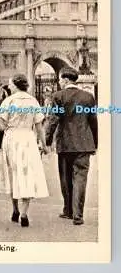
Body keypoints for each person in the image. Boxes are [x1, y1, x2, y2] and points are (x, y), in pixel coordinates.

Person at [45, 67, 97, 225]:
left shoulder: (58, 96)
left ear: (66, 80)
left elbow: (53, 120)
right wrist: (95, 141)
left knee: (66, 178)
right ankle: (78, 214)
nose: (59, 82)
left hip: (65, 143)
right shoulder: (88, 97)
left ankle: (68, 210)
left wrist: (47, 140)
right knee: (80, 178)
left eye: (60, 79)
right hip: (84, 143)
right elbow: (93, 121)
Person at [0, 74, 50, 227]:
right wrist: (44, 145)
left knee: (13, 173)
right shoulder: (33, 101)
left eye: (10, 84)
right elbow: (39, 127)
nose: (10, 87)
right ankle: (24, 213)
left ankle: (14, 209)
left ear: (15, 85)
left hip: (12, 137)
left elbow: (1, 125)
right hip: (28, 138)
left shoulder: (8, 101)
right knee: (27, 174)